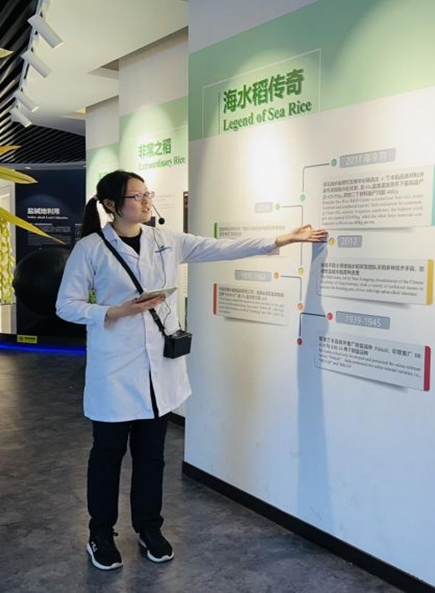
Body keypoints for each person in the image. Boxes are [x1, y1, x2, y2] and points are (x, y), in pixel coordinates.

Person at [55, 170, 326, 570]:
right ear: (111, 204)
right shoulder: (91, 249)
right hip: (115, 372)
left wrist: (280, 239)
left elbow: (220, 247)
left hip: (159, 372)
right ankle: (100, 534)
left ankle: (149, 528)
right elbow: (66, 305)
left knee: (151, 457)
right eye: (136, 196)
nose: (146, 201)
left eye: (147, 194)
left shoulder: (166, 240)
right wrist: (114, 311)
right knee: (107, 456)